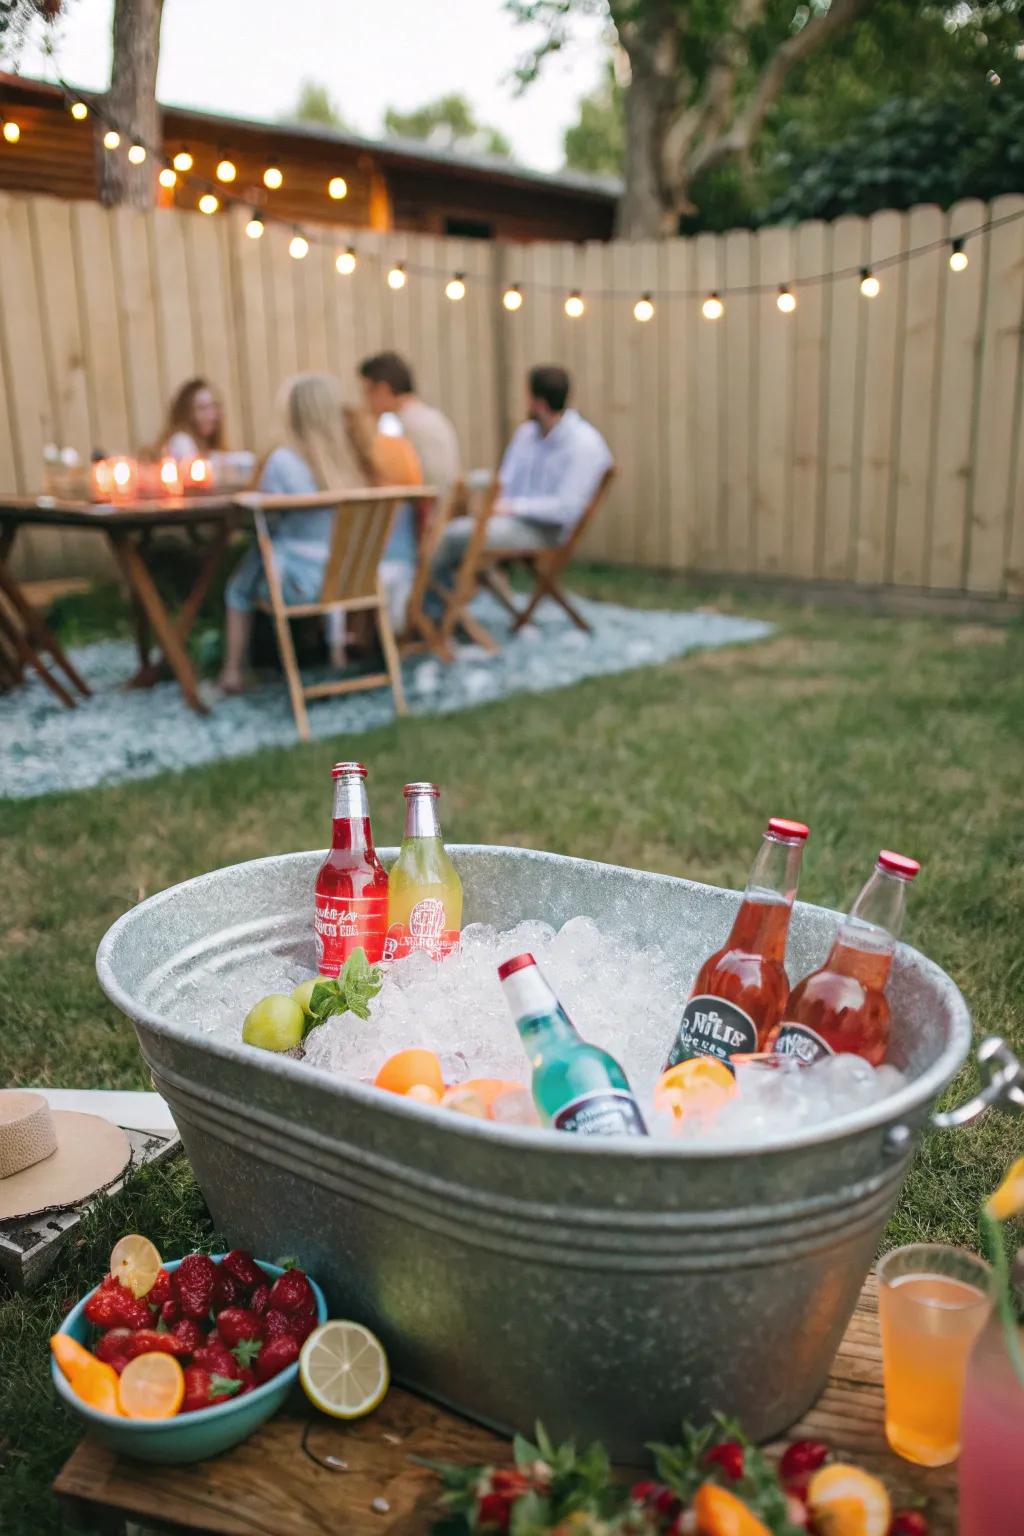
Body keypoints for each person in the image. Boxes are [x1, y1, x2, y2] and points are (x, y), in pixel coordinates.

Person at [219, 373, 369, 694]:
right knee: (285, 549)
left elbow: (267, 523)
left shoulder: (282, 461)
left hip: (298, 585)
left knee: (239, 588)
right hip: (348, 580)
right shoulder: (346, 464)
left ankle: (232, 671)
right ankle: (336, 653)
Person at [432, 364, 612, 586]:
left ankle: (429, 607)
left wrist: (511, 507)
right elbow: (505, 479)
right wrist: (473, 484)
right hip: (511, 521)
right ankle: (451, 598)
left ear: (538, 402)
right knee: (448, 527)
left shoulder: (584, 443)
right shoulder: (527, 434)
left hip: (547, 531)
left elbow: (566, 509)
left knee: (452, 535)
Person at [358, 352, 460, 496]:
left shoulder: (395, 426)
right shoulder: (434, 417)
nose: (366, 402)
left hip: (424, 511)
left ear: (383, 389)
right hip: (444, 508)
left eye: (367, 392)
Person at [162, 377, 224, 460]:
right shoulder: (181, 441)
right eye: (202, 408)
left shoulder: (210, 446)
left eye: (214, 406)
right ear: (187, 413)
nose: (211, 415)